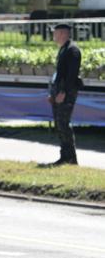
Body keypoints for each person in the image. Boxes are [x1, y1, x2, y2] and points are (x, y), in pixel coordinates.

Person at [49, 23, 83, 166]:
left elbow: (71, 75)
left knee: (64, 123)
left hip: (67, 92)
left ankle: (71, 158)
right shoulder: (63, 49)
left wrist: (63, 92)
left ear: (63, 33)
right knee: (59, 123)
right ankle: (64, 156)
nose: (54, 36)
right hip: (59, 91)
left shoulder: (72, 50)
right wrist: (53, 92)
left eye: (55, 33)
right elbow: (59, 73)